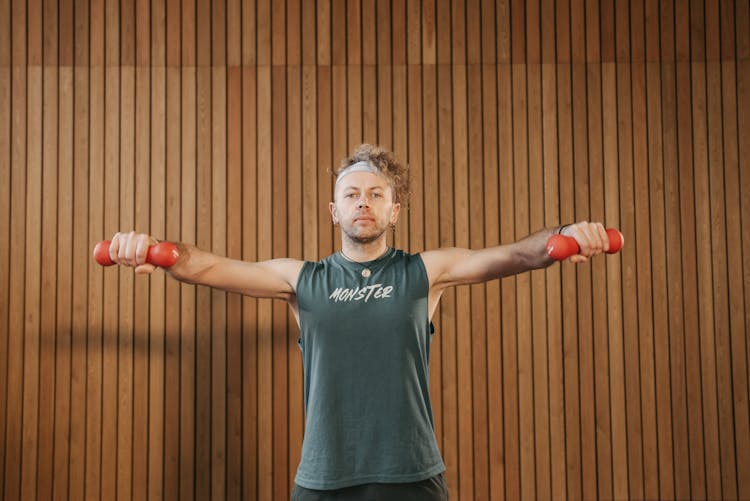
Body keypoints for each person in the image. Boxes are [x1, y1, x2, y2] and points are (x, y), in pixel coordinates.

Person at [107, 144, 618, 501]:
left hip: (411, 477)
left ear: (394, 209)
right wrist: (154, 251)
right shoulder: (301, 280)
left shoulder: (425, 272)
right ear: (334, 210)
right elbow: (210, 267)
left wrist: (565, 234)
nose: (363, 203)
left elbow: (514, 256)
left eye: (376, 194)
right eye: (352, 194)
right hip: (325, 479)